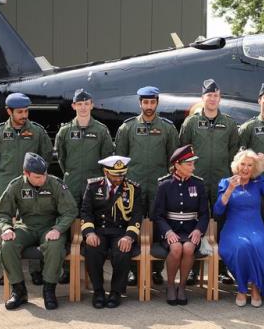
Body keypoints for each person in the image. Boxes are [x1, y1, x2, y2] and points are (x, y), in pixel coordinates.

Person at [0, 92, 53, 286]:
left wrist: (35, 178)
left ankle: (36, 270)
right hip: (6, 184)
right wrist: (2, 175)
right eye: (20, 112)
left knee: (33, 222)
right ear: (9, 111)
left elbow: (46, 155)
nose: (24, 115)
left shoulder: (37, 132)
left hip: (31, 184)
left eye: (26, 111)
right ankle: (8, 270)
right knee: (6, 224)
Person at [0, 152, 77, 310]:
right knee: (7, 246)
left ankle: (49, 291)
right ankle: (19, 291)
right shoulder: (16, 185)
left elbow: (70, 210)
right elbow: (2, 211)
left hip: (50, 227)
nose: (42, 179)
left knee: (54, 246)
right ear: (26, 173)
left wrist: (58, 229)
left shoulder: (55, 184)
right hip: (26, 227)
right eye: (38, 177)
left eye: (44, 175)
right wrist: (6, 227)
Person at [115, 86, 179, 286]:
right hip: (134, 185)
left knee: (159, 225)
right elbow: (121, 159)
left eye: (152, 102)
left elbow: (174, 158)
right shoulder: (128, 128)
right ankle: (133, 270)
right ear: (140, 103)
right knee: (132, 224)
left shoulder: (168, 128)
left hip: (159, 186)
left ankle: (155, 270)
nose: (149, 106)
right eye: (145, 102)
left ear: (157, 103)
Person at [179, 79, 238, 285]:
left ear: (219, 98)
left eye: (216, 95)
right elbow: (184, 151)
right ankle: (194, 268)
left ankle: (222, 269)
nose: (212, 99)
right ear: (202, 98)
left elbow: (233, 153)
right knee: (195, 223)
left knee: (223, 224)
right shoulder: (191, 123)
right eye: (209, 95)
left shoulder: (230, 124)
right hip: (197, 181)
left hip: (222, 182)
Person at [55, 88, 115, 284]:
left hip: (94, 184)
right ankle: (66, 268)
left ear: (92, 105)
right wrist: (71, 175)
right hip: (71, 183)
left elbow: (107, 159)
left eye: (86, 103)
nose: (82, 107)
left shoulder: (101, 130)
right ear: (73, 106)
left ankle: (93, 267)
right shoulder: (65, 131)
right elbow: (62, 159)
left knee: (95, 224)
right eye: (79, 104)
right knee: (67, 222)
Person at [213, 149, 264, 307]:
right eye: (242, 164)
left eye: (250, 165)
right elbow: (217, 210)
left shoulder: (258, 183)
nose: (245, 168)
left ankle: (255, 288)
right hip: (233, 228)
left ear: (254, 168)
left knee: (261, 245)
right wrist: (230, 189)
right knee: (242, 247)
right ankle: (242, 289)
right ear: (236, 165)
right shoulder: (225, 182)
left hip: (255, 227)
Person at [81, 155, 144, 309]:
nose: (120, 177)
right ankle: (98, 291)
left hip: (121, 231)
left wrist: (129, 237)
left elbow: (136, 215)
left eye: (122, 174)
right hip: (99, 231)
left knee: (123, 251)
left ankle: (116, 291)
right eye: (116, 174)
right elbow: (86, 212)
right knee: (92, 250)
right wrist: (89, 233)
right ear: (106, 172)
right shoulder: (93, 186)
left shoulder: (133, 189)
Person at [153, 145, 209, 305]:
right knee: (176, 248)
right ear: (177, 165)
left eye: (193, 164)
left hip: (191, 230)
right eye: (189, 164)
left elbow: (205, 213)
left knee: (189, 248)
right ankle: (170, 286)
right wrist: (168, 232)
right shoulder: (164, 185)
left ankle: (182, 286)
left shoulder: (198, 184)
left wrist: (199, 230)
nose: (193, 167)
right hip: (171, 229)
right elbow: (157, 215)